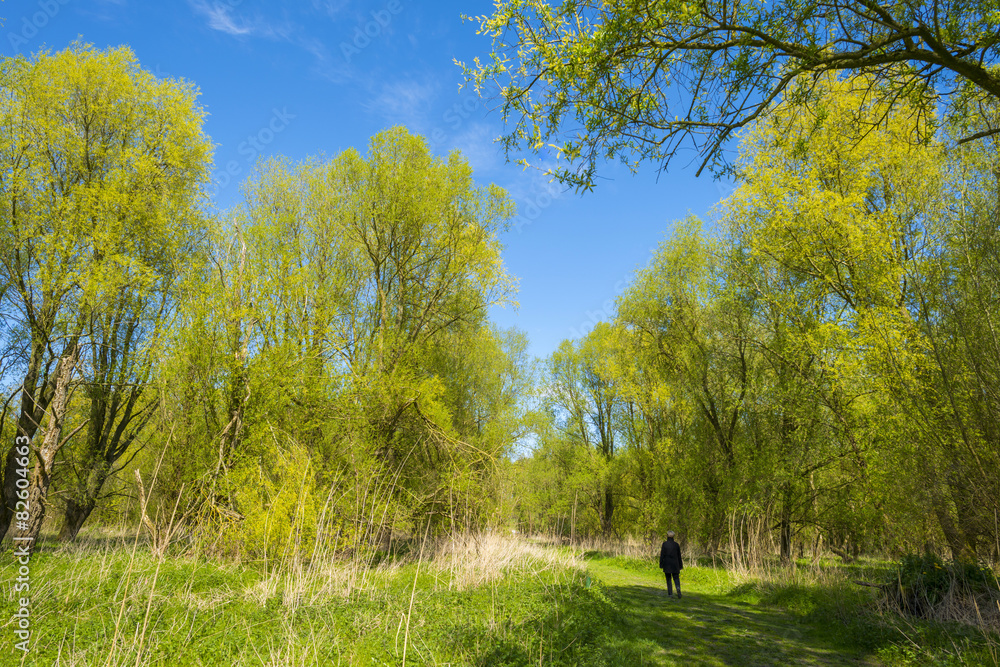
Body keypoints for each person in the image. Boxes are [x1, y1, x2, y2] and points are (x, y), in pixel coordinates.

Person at [659, 530, 683, 598]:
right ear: (673, 536)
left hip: (667, 564)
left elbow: (662, 555)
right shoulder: (676, 545)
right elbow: (679, 556)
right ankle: (678, 589)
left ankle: (670, 594)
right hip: (675, 564)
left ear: (667, 536)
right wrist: (680, 565)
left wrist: (661, 564)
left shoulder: (664, 544)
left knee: (668, 579)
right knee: (676, 578)